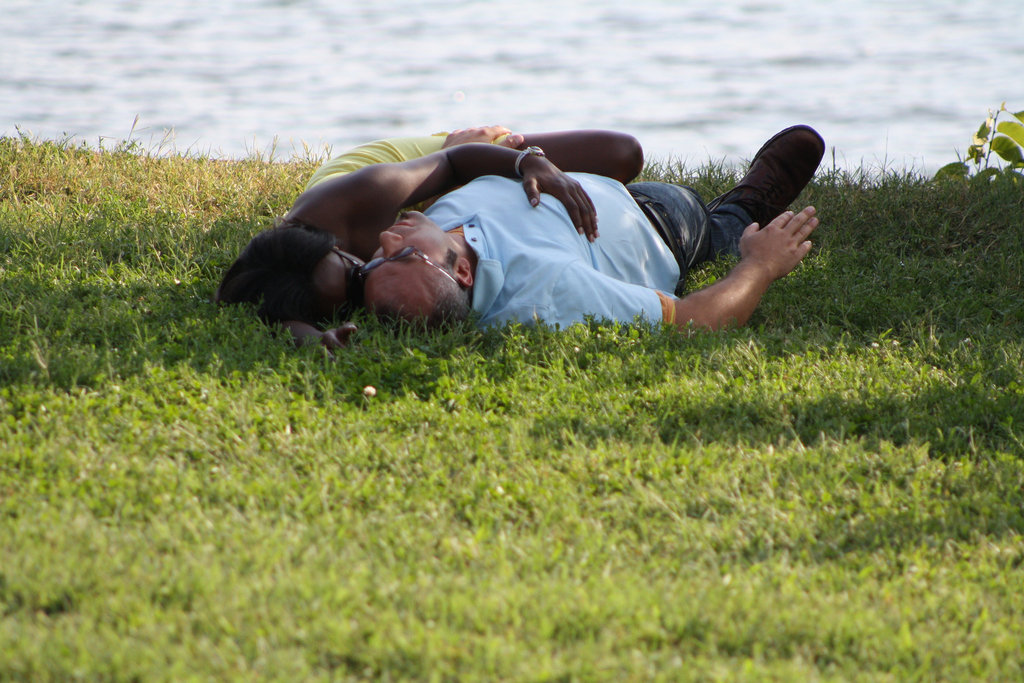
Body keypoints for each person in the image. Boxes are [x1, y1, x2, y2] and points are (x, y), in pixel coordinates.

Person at [216, 124, 824, 346]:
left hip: (516, 178)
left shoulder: (350, 208)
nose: (379, 253)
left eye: (359, 264)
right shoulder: (539, 294)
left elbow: (452, 166)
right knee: (704, 221)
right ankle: (740, 207)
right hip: (656, 224)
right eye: (358, 287)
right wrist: (759, 266)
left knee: (620, 150)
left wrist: (522, 161)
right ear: (457, 272)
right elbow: (695, 320)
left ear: (331, 242)